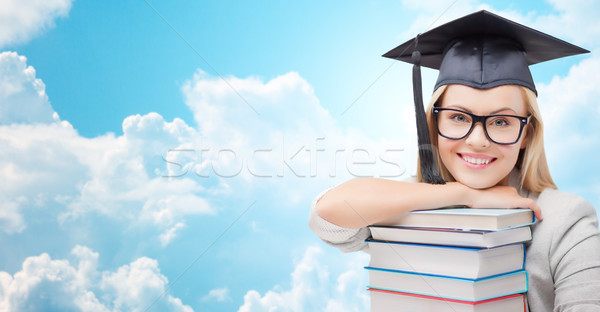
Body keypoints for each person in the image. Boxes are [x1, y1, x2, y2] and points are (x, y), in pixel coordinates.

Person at [308, 10, 600, 311]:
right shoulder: (404, 203)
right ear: (434, 126)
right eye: (459, 117)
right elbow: (326, 215)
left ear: (527, 133)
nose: (478, 140)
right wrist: (465, 195)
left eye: (501, 122)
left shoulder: (565, 219)